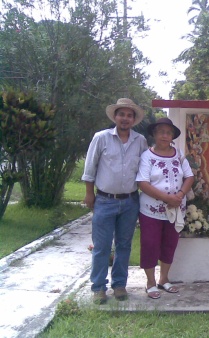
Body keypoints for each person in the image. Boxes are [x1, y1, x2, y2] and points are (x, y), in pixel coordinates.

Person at [82, 98, 148, 304]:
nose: (125, 118)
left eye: (130, 115)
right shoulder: (101, 138)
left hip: (130, 201)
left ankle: (119, 284)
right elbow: (90, 168)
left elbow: (145, 171)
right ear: (115, 117)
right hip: (104, 200)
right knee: (101, 246)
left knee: (124, 245)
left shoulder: (141, 141)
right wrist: (89, 193)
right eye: (122, 114)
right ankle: (98, 287)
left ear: (134, 119)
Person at [136, 117, 194, 299]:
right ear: (154, 134)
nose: (164, 135)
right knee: (150, 244)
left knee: (170, 244)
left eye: (168, 132)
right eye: (161, 131)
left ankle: (164, 279)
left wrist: (180, 195)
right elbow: (143, 183)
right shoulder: (147, 156)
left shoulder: (178, 155)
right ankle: (150, 282)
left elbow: (189, 177)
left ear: (172, 136)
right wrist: (167, 198)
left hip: (175, 209)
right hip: (151, 210)